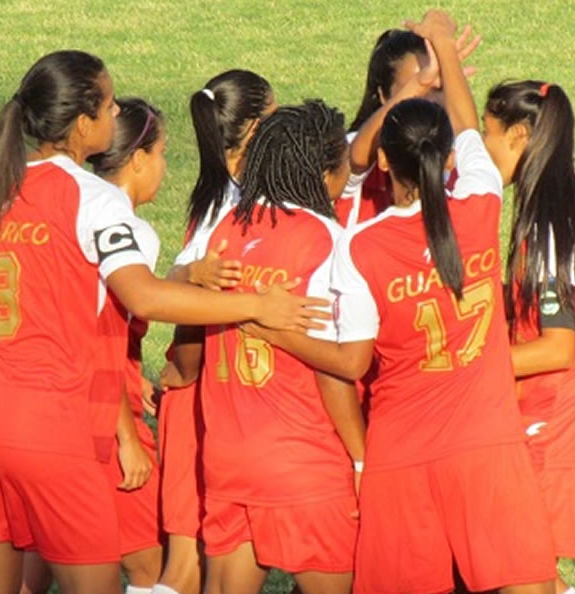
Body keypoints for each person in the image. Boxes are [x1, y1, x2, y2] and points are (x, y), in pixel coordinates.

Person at [0, 50, 328, 594]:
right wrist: (256, 306)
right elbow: (143, 297)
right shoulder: (93, 199)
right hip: (54, 423)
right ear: (84, 123)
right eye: (109, 102)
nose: (116, 108)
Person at [250, 11, 556, 593]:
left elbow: (349, 363)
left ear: (385, 163)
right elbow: (468, 126)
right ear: (447, 159)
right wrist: (445, 45)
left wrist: (269, 325)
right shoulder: (481, 205)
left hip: (401, 455)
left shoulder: (361, 245)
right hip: (488, 444)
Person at [192, 100, 357, 594]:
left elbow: (187, 352)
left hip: (227, 457)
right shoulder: (326, 238)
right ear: (325, 173)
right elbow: (335, 367)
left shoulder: (224, 229)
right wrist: (363, 457)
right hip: (303, 463)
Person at [18, 97, 168, 594]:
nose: (165, 169)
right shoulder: (129, 233)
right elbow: (100, 337)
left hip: (46, 411)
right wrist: (125, 436)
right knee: (150, 570)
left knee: (38, 563)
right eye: (163, 154)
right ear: (140, 158)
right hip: (103, 410)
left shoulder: (62, 206)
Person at [482, 79, 575, 594]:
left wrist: (474, 366)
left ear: (520, 135)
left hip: (554, 425)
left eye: (487, 132)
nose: (482, 146)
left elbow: (557, 345)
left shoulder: (550, 217)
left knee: (521, 578)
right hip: (572, 420)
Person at [154, 69, 275, 594]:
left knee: (195, 566)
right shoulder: (238, 204)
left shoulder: (211, 192)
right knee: (186, 570)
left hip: (206, 386)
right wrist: (180, 368)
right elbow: (193, 301)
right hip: (208, 386)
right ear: (253, 127)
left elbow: (183, 280)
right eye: (275, 115)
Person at [337, 27, 478, 228]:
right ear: (384, 97)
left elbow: (471, 134)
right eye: (414, 89)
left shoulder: (455, 160)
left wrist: (450, 68)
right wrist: (422, 81)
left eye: (437, 88)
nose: (427, 101)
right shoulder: (348, 153)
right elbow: (355, 158)